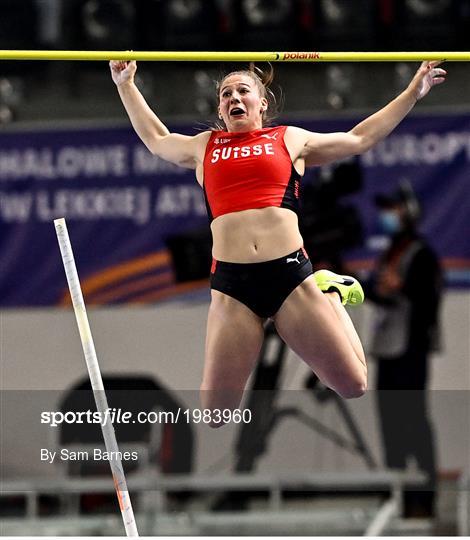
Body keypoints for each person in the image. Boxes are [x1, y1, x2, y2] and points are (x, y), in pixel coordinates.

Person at [109, 59, 446, 425]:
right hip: (232, 288)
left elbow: (359, 138)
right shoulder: (204, 146)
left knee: (353, 384)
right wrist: (126, 85)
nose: (233, 97)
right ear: (220, 109)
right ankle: (325, 294)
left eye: (242, 91)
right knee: (216, 415)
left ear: (262, 102)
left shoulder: (289, 139)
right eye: (225, 94)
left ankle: (329, 294)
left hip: (289, 278)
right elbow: (157, 140)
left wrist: (413, 92)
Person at [368, 182, 442, 517]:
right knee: (390, 427)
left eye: (393, 209)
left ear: (409, 212)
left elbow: (426, 302)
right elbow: (379, 293)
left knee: (414, 423)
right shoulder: (390, 252)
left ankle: (424, 499)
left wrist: (403, 287)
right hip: (387, 351)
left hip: (410, 351)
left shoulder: (422, 254)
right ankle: (397, 498)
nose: (388, 216)